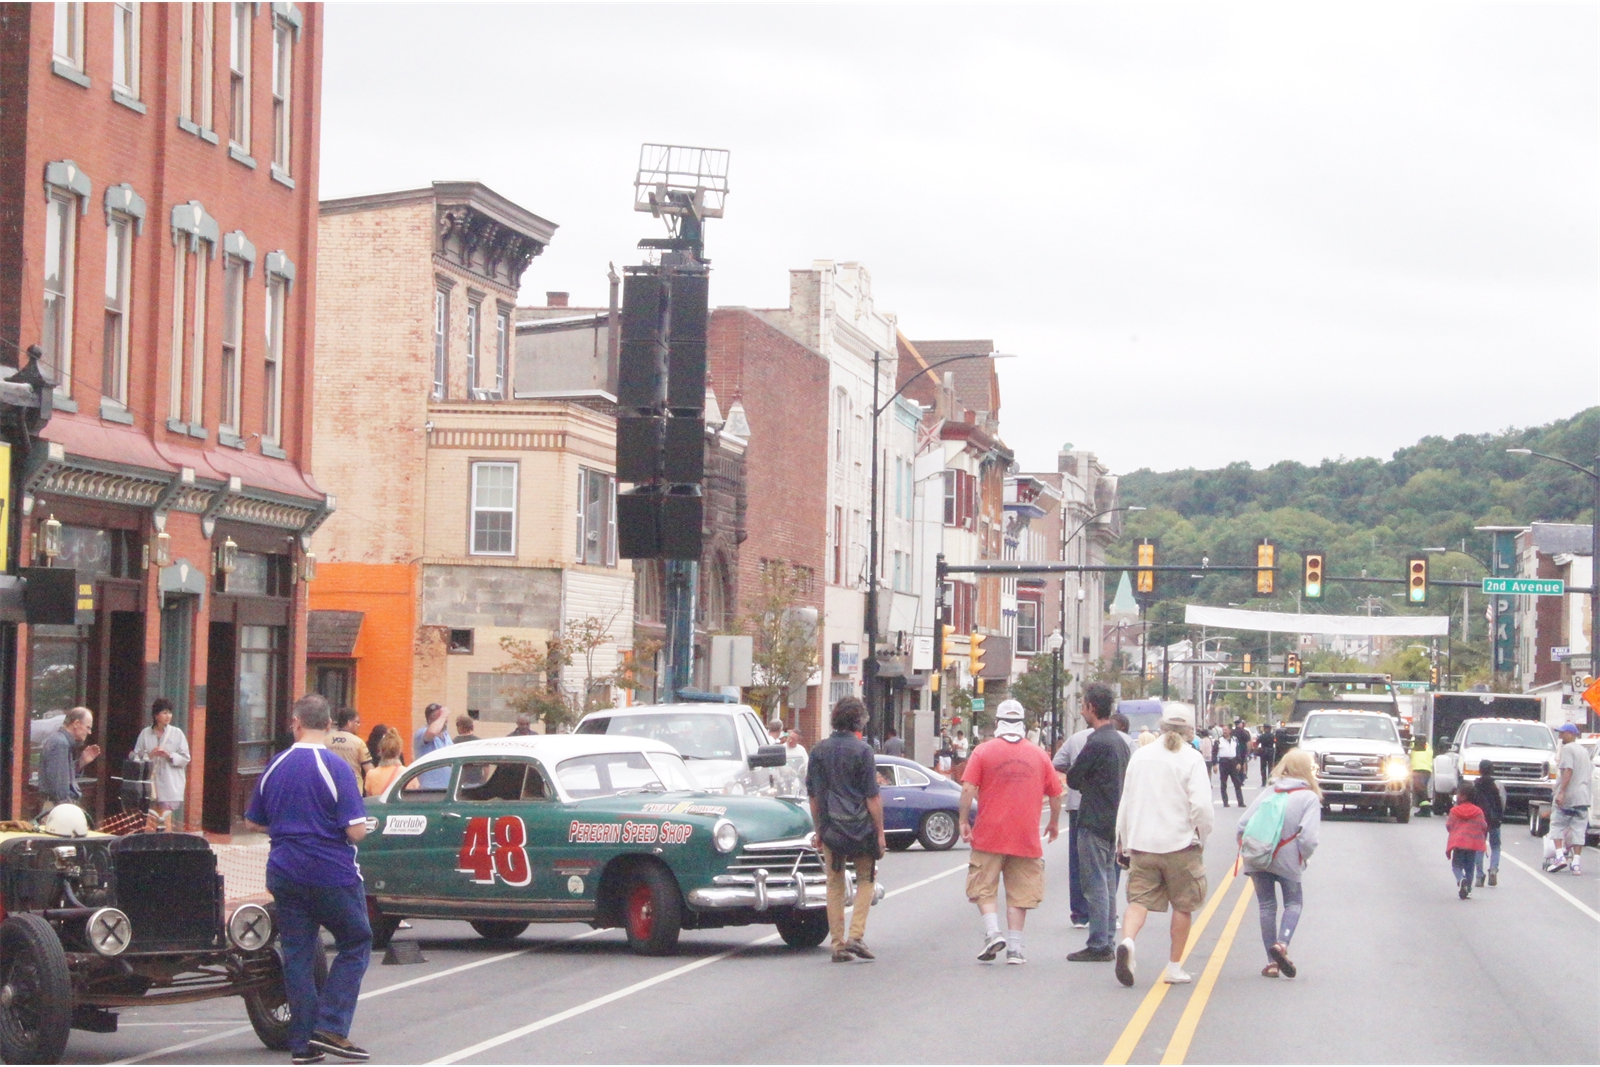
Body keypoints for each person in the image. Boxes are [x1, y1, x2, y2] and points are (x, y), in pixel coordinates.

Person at [243, 694, 372, 1063]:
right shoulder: (336, 768)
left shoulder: (275, 765)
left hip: (284, 869)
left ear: (295, 723)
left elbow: (253, 821)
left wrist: (287, 827)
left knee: (298, 954)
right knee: (356, 941)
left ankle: (302, 1045)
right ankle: (329, 1025)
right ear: (329, 725)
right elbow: (357, 831)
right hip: (331, 870)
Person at [1112, 703, 1213, 987]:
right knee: (1183, 905)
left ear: (1161, 727)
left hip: (1144, 844)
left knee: (1138, 901)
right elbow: (1203, 807)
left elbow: (1127, 801)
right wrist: (1201, 835)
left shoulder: (1141, 756)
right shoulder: (1191, 759)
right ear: (1189, 732)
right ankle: (1174, 967)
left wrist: (1124, 841)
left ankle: (1129, 942)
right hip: (1180, 845)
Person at [958, 700, 1063, 965]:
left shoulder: (983, 752)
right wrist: (1053, 823)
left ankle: (993, 933)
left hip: (989, 833)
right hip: (1025, 835)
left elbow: (968, 788)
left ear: (997, 723)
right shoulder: (1039, 755)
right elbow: (1055, 793)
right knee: (1020, 892)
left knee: (983, 886)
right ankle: (1015, 948)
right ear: (1023, 725)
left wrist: (963, 820)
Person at [806, 697, 885, 963]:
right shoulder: (863, 751)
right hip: (861, 827)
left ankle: (838, 944)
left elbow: (814, 797)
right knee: (866, 879)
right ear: (858, 721)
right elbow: (872, 797)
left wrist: (819, 830)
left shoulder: (818, 751)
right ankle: (856, 935)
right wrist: (880, 832)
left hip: (831, 828)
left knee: (834, 883)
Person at [1235, 748, 1321, 979]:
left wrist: (1249, 848)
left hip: (1259, 857)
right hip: (1288, 858)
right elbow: (1309, 838)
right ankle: (1282, 944)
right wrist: (1303, 856)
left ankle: (1271, 963)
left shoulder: (1270, 791)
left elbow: (1242, 824)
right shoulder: (1309, 798)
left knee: (1266, 906)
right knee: (1293, 903)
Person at [1066, 684, 1131, 964]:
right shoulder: (1119, 741)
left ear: (1092, 708)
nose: (1081, 710)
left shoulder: (1097, 741)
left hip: (1093, 818)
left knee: (1094, 884)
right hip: (1114, 820)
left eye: (1083, 705)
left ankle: (1098, 943)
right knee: (1107, 881)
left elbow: (1074, 778)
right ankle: (1107, 939)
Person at [1052, 722, 1095, 929]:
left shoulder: (1076, 738)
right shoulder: (1120, 739)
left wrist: (1074, 771)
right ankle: (1106, 911)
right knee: (1106, 862)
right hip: (1109, 807)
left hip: (1077, 804)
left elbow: (1057, 761)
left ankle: (1079, 912)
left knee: (1077, 860)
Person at [132, 699, 190, 831]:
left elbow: (186, 758)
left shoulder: (177, 733)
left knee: (165, 817)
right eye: (164, 713)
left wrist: (169, 755)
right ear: (156, 715)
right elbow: (136, 757)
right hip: (150, 783)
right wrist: (150, 755)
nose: (168, 716)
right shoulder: (145, 733)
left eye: (170, 713)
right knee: (150, 816)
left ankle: (166, 843)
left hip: (169, 781)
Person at [39, 707, 101, 816]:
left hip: (58, 807)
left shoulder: (61, 742)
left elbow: (62, 775)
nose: (89, 732)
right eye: (88, 727)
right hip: (58, 809)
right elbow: (59, 788)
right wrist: (70, 813)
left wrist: (81, 762)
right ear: (76, 723)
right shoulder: (60, 744)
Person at [1547, 723, 1591, 874]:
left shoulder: (1567, 749)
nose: (1560, 736)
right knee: (1579, 829)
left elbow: (1568, 770)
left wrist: (1561, 792)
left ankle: (1560, 856)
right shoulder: (1584, 752)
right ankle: (1576, 863)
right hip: (1583, 797)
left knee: (1557, 824)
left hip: (1569, 796)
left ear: (1571, 734)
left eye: (1563, 733)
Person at [1466, 759, 1505, 887]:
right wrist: (1499, 816)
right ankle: (1493, 869)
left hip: (1478, 820)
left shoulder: (1474, 785)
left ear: (1479, 770)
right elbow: (1502, 801)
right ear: (1492, 770)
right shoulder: (1497, 784)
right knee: (1495, 846)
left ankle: (1479, 875)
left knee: (1479, 847)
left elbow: (1470, 802)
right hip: (1494, 819)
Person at [1445, 782, 1488, 899]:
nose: (1457, 796)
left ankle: (1461, 879)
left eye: (1458, 794)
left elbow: (1449, 825)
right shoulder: (1478, 811)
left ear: (1463, 796)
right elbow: (1483, 826)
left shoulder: (1454, 811)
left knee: (1456, 866)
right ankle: (1468, 889)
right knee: (1470, 868)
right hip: (1472, 844)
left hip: (1458, 844)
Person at [327, 708, 372, 788]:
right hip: (353, 787)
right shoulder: (359, 743)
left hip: (330, 786)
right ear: (349, 723)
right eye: (357, 722)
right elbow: (370, 771)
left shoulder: (326, 739)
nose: (358, 725)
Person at [412, 704, 452, 789]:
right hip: (430, 790)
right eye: (440, 718)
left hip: (447, 789)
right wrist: (443, 715)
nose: (444, 720)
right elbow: (432, 732)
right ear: (430, 720)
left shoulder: (446, 735)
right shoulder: (422, 733)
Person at [365, 732, 405, 798]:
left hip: (379, 808)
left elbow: (369, 801)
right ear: (399, 751)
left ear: (380, 751)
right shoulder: (406, 773)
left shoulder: (371, 774)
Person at [1214, 729, 1242, 807]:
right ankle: (1225, 802)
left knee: (1237, 782)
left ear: (1230, 731)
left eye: (1226, 730)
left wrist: (1239, 762)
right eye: (1223, 731)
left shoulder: (1234, 740)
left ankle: (1240, 802)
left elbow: (1238, 751)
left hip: (1233, 762)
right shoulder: (1219, 740)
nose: (1225, 732)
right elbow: (1214, 752)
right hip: (1224, 762)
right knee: (1223, 783)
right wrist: (1214, 764)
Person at [1410, 736, 1433, 817]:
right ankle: (1424, 809)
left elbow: (1409, 753)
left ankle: (1426, 809)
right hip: (1427, 770)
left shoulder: (1413, 743)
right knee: (1422, 789)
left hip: (1417, 769)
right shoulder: (1428, 746)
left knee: (1420, 789)